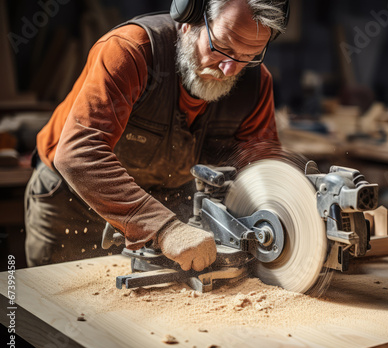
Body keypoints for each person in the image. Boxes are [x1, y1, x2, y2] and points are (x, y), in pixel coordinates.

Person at [24, 0, 289, 270]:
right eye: (223, 47)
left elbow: (260, 172)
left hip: (165, 201)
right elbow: (78, 154)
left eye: (248, 56)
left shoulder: (256, 83)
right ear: (190, 20)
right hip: (75, 201)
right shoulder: (131, 50)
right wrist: (164, 228)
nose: (230, 69)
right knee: (60, 303)